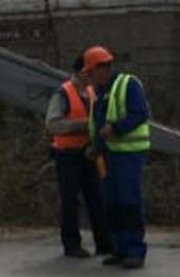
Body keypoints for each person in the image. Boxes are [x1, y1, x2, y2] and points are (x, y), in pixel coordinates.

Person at [83, 45, 151, 270]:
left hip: (129, 154)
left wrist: (117, 129)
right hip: (110, 155)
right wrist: (96, 146)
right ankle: (120, 248)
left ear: (103, 69)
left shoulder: (128, 85)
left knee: (129, 201)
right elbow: (99, 124)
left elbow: (140, 113)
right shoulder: (100, 92)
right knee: (112, 202)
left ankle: (134, 250)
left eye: (91, 73)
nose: (90, 78)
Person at [45, 56, 114, 259]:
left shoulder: (91, 92)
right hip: (67, 155)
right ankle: (72, 245)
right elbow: (53, 124)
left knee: (96, 198)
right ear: (80, 72)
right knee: (70, 201)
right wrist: (84, 125)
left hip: (88, 153)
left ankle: (104, 243)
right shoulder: (63, 93)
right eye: (88, 71)